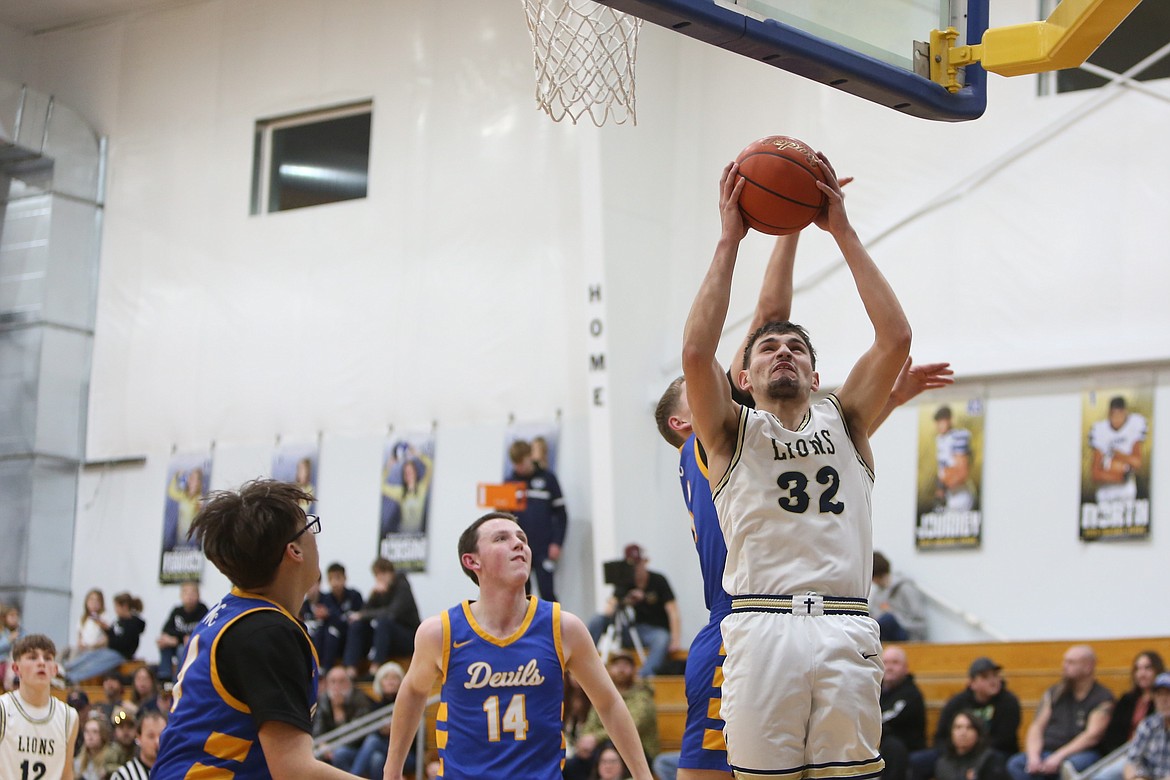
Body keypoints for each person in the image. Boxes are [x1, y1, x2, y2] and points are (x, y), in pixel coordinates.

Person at [680, 152, 911, 778]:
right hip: (760, 625)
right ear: (745, 376)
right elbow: (697, 350)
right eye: (768, 346)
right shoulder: (729, 433)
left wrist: (842, 231)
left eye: (797, 348)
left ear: (815, 373)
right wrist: (730, 239)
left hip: (844, 624)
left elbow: (895, 340)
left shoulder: (849, 420)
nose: (783, 351)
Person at [381, 512, 653, 780]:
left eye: (521, 537)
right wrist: (391, 771)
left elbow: (609, 703)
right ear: (472, 561)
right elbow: (414, 692)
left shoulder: (563, 628)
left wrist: (643, 775)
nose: (518, 543)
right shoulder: (440, 632)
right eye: (501, 538)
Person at [151, 480, 362, 779]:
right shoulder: (265, 632)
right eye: (309, 527)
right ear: (294, 551)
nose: (316, 538)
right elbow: (294, 770)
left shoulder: (230, 615)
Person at [1007, 645, 1115, 780]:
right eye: (1065, 661)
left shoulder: (1102, 697)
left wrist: (1058, 757)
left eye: (1071, 662)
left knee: (1071, 767)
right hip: (1046, 752)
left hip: (1079, 754)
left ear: (1088, 667)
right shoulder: (1054, 693)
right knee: (1016, 763)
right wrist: (1033, 757)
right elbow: (1037, 726)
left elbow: (1092, 736)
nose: (1064, 666)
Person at [910, 657, 1022, 780]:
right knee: (917, 761)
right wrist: (954, 751)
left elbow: (1004, 739)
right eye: (985, 677)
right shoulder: (957, 702)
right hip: (955, 751)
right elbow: (940, 736)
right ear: (972, 683)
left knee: (995, 763)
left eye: (995, 675)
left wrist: (973, 747)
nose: (993, 681)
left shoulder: (1009, 702)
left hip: (995, 751)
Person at [587, 544, 681, 677]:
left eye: (637, 564)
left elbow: (673, 611)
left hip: (654, 631)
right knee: (598, 620)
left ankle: (643, 677)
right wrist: (624, 601)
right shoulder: (625, 583)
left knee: (662, 638)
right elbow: (608, 612)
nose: (635, 568)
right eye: (631, 565)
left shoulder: (658, 580)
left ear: (645, 562)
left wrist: (675, 639)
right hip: (631, 631)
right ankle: (585, 660)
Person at [1070, 652, 1166, 780]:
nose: (1142, 673)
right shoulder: (1129, 703)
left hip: (1139, 755)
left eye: (1147, 668)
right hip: (1123, 753)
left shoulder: (1158, 717)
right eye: (1138, 669)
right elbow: (1128, 755)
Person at [0, 634, 79, 780]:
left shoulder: (69, 716)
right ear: (16, 668)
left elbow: (67, 775)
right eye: (32, 657)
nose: (41, 662)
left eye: (47, 658)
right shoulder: (3, 709)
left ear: (55, 670)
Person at [506, 439, 567, 601]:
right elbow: (502, 519)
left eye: (522, 462)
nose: (520, 467)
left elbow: (561, 515)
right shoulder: (509, 483)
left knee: (547, 594)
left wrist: (557, 542)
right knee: (521, 596)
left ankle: (554, 626)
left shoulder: (548, 479)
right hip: (519, 550)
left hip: (544, 549)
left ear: (530, 457)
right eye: (516, 464)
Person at [343, 558, 420, 677]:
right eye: (377, 575)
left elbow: (392, 613)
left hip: (408, 637)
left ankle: (375, 668)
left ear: (391, 573)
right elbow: (363, 613)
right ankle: (350, 669)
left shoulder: (402, 585)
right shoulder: (379, 591)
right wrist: (373, 595)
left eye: (383, 573)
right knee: (358, 625)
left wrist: (363, 615)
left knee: (383, 622)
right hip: (387, 638)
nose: (380, 578)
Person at [579, 651, 660, 762]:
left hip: (641, 753)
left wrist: (595, 738)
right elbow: (591, 722)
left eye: (626, 665)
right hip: (606, 749)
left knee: (610, 751)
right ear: (609, 669)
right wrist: (585, 739)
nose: (621, 669)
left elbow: (631, 727)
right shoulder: (603, 694)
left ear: (634, 670)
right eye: (617, 665)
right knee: (573, 765)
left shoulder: (642, 696)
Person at [346, 662, 411, 779]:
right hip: (379, 751)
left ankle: (352, 777)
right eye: (386, 677)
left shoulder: (408, 705)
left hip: (405, 753)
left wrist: (395, 730)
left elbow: (416, 736)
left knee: (373, 741)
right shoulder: (373, 706)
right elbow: (366, 732)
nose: (391, 681)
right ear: (380, 682)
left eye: (395, 678)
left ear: (402, 681)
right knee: (373, 758)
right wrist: (380, 730)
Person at [64, 593, 146, 684]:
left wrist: (109, 634)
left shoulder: (133, 624)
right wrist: (106, 629)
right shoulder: (119, 621)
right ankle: (66, 668)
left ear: (124, 607)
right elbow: (114, 635)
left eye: (117, 607)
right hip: (110, 650)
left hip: (120, 654)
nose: (116, 610)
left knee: (95, 665)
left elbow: (124, 643)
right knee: (89, 656)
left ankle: (71, 677)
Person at [314, 666, 375, 771]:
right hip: (331, 747)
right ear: (327, 684)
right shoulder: (323, 700)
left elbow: (358, 735)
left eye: (341, 681)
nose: (337, 686)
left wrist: (339, 711)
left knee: (341, 754)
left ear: (349, 683)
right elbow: (318, 728)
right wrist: (322, 744)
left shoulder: (360, 699)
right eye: (333, 682)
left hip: (357, 749)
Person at [1089, 396, 1147, 505]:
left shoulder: (1134, 426)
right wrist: (1118, 476)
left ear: (1125, 413)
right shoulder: (1100, 430)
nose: (1116, 419)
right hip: (1105, 492)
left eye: (1120, 414)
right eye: (1113, 415)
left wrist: (1117, 454)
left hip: (1126, 491)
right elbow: (1095, 473)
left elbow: (1137, 463)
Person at [314, 562, 364, 672]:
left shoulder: (355, 596)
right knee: (325, 631)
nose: (335, 582)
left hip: (352, 639)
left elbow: (358, 620)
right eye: (331, 579)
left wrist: (330, 615)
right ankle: (320, 667)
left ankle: (350, 667)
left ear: (345, 578)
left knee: (355, 626)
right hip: (333, 641)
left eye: (338, 578)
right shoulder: (325, 599)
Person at [155, 581, 208, 683]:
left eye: (193, 593)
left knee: (181, 649)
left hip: (194, 647)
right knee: (164, 645)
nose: (189, 597)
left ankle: (179, 680)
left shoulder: (203, 610)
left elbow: (204, 631)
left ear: (198, 595)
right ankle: (165, 679)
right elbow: (166, 630)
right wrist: (173, 639)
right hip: (178, 644)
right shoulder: (177, 611)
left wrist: (178, 639)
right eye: (186, 593)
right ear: (181, 596)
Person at [871, 552, 928, 642]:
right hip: (885, 636)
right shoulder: (878, 592)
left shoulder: (905, 587)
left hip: (908, 635)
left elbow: (919, 621)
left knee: (888, 619)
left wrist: (894, 615)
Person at [1123, 672, 1170, 780]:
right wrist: (1135, 778)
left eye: (1168, 694)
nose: (1164, 700)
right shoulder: (1148, 725)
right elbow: (1131, 762)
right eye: (1159, 694)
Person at [935, 711, 1009, 780]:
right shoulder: (943, 763)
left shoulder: (991, 760)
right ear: (951, 733)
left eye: (969, 728)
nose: (963, 733)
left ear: (978, 734)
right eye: (958, 727)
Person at [933, 405, 976, 511]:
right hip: (949, 496)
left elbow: (962, 472)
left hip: (960, 496)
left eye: (942, 421)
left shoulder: (958, 436)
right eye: (938, 421)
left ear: (949, 420)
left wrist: (943, 486)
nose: (940, 425)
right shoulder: (940, 439)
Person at [381, 446, 433, 534]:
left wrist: (418, 454)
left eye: (411, 471)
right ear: (404, 475)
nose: (409, 474)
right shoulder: (400, 492)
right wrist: (388, 467)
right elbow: (381, 487)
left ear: (415, 472)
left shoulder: (422, 488)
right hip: (402, 534)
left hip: (418, 535)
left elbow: (431, 467)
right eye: (406, 472)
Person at [109, 710, 167, 780]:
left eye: (162, 735)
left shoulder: (177, 770)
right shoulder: (123, 775)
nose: (157, 741)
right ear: (139, 737)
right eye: (151, 736)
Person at [76, 715, 123, 780]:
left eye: (95, 732)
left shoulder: (112, 754)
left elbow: (124, 769)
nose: (90, 736)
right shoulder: (79, 759)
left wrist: (107, 770)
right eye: (86, 731)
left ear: (102, 735)